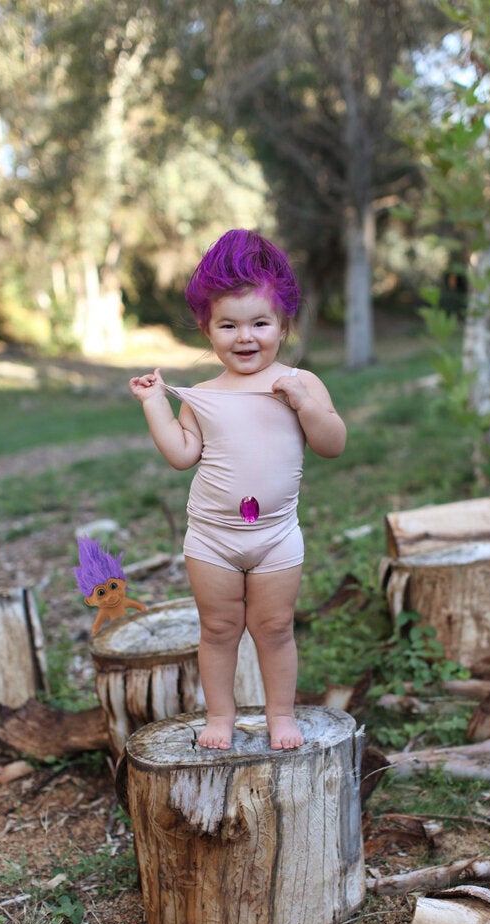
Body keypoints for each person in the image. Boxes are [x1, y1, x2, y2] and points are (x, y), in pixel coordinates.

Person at [129, 229, 346, 751]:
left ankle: (280, 716)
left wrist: (305, 404)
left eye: (259, 323)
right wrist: (154, 403)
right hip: (212, 539)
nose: (245, 337)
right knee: (220, 629)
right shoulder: (202, 396)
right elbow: (182, 455)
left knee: (274, 627)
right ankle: (220, 718)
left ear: (283, 325)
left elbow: (332, 443)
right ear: (208, 329)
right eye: (228, 325)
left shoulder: (300, 381)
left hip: (275, 536)